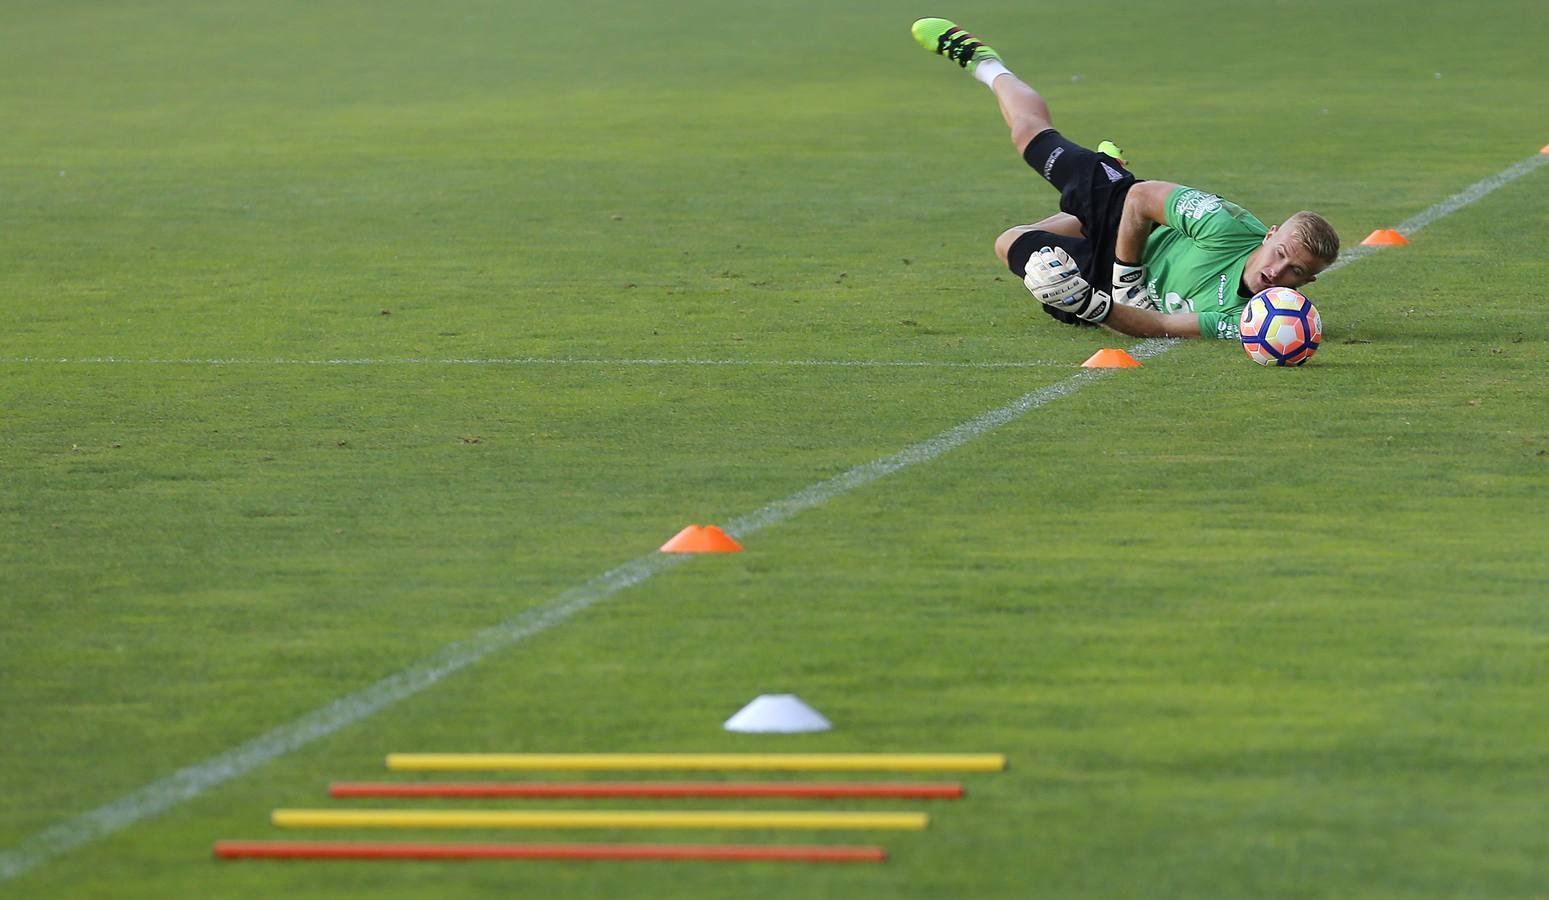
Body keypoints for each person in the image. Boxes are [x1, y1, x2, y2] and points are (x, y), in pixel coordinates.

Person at [910, 18, 1340, 340]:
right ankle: (986, 64)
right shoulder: (1224, 227)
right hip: (1129, 219)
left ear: (1307, 283)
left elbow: (1162, 325)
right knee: (1029, 137)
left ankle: (1094, 189)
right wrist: (1126, 276)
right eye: (1280, 253)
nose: (1276, 271)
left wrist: (1092, 304)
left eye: (1294, 271)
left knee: (1011, 243)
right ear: (1268, 235)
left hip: (1108, 283)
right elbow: (1141, 197)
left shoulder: (1253, 321)